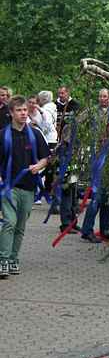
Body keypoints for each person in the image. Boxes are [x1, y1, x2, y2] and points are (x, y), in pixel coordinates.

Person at [0, 96, 50, 277]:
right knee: (9, 223)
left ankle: (13, 259)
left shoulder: (34, 134)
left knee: (20, 226)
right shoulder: (3, 134)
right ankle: (3, 260)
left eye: (25, 110)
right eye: (19, 110)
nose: (23, 113)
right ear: (11, 113)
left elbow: (46, 157)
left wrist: (39, 166)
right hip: (9, 187)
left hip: (29, 188)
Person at [80, 89, 109, 243]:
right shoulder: (92, 111)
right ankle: (87, 230)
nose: (102, 98)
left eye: (105, 96)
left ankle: (105, 229)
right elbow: (77, 123)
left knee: (108, 196)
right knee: (98, 195)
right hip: (98, 157)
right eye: (100, 96)